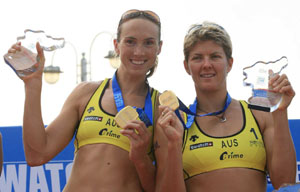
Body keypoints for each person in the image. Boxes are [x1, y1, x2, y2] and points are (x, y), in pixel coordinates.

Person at [7, 9, 162, 192]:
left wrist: (141, 156)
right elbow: (36, 155)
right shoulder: (86, 93)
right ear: (116, 45)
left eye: (148, 43)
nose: (138, 51)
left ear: (159, 48)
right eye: (130, 41)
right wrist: (32, 85)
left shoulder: (161, 108)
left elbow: (161, 189)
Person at [155, 21, 296, 192]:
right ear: (187, 66)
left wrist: (280, 112)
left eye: (215, 56)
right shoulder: (175, 124)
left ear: (229, 63)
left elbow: (285, 182)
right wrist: (174, 146)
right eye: (197, 58)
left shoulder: (258, 114)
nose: (207, 64)